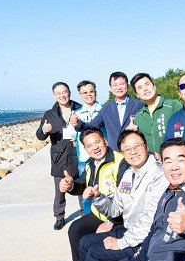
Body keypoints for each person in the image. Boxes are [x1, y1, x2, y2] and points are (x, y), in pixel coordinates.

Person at [74, 130, 168, 261]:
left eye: (137, 146)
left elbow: (149, 222)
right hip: (129, 229)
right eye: (127, 149)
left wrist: (121, 242)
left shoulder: (158, 175)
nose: (133, 152)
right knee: (85, 242)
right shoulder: (129, 174)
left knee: (96, 254)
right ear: (123, 153)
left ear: (146, 146)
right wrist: (98, 198)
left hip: (144, 240)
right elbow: (116, 207)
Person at [58, 127, 125, 261]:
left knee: (92, 242)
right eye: (89, 145)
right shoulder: (90, 163)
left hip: (118, 216)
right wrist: (71, 185)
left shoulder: (120, 161)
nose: (94, 147)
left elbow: (125, 198)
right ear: (85, 149)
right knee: (75, 229)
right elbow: (83, 185)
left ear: (105, 141)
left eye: (97, 142)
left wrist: (110, 222)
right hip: (99, 213)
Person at [35, 82, 82, 230]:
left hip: (78, 155)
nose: (62, 95)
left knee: (82, 188)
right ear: (54, 95)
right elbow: (40, 136)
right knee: (60, 192)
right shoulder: (49, 114)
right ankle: (59, 217)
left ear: (69, 92)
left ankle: (85, 215)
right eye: (58, 93)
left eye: (65, 92)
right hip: (59, 157)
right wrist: (44, 129)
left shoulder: (80, 108)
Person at [72, 72, 142, 151]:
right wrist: (78, 124)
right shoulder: (106, 108)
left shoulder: (139, 105)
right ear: (111, 89)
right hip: (115, 154)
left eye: (121, 84)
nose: (118, 87)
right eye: (115, 85)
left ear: (127, 85)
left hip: (135, 152)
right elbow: (91, 126)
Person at [130, 72, 183, 153]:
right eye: (140, 87)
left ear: (154, 86)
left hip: (175, 158)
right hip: (152, 162)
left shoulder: (173, 105)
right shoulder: (139, 116)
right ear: (137, 94)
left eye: (147, 84)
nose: (145, 89)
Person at [74, 80, 104, 215]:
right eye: (85, 92)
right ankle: (87, 216)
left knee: (103, 189)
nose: (89, 94)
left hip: (101, 157)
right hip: (84, 158)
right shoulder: (77, 113)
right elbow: (73, 134)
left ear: (96, 92)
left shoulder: (104, 109)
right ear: (80, 95)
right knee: (85, 191)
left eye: (91, 91)